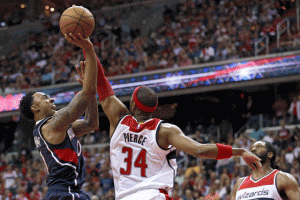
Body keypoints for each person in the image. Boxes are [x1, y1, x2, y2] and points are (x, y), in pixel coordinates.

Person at [82, 50, 263, 200]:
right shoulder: (165, 131)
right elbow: (199, 150)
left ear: (133, 105)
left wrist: (87, 46)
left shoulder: (119, 120)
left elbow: (102, 82)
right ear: (152, 110)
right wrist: (237, 151)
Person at [19, 32, 98, 200]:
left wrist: (91, 93)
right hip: (63, 193)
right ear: (35, 108)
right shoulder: (53, 125)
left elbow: (91, 123)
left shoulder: (57, 126)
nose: (52, 99)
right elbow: (85, 94)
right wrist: (89, 50)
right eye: (44, 98)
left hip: (71, 191)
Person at [230, 141, 300, 200]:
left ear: (270, 154)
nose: (253, 149)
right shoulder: (239, 183)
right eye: (251, 148)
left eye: (259, 147)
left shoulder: (282, 178)